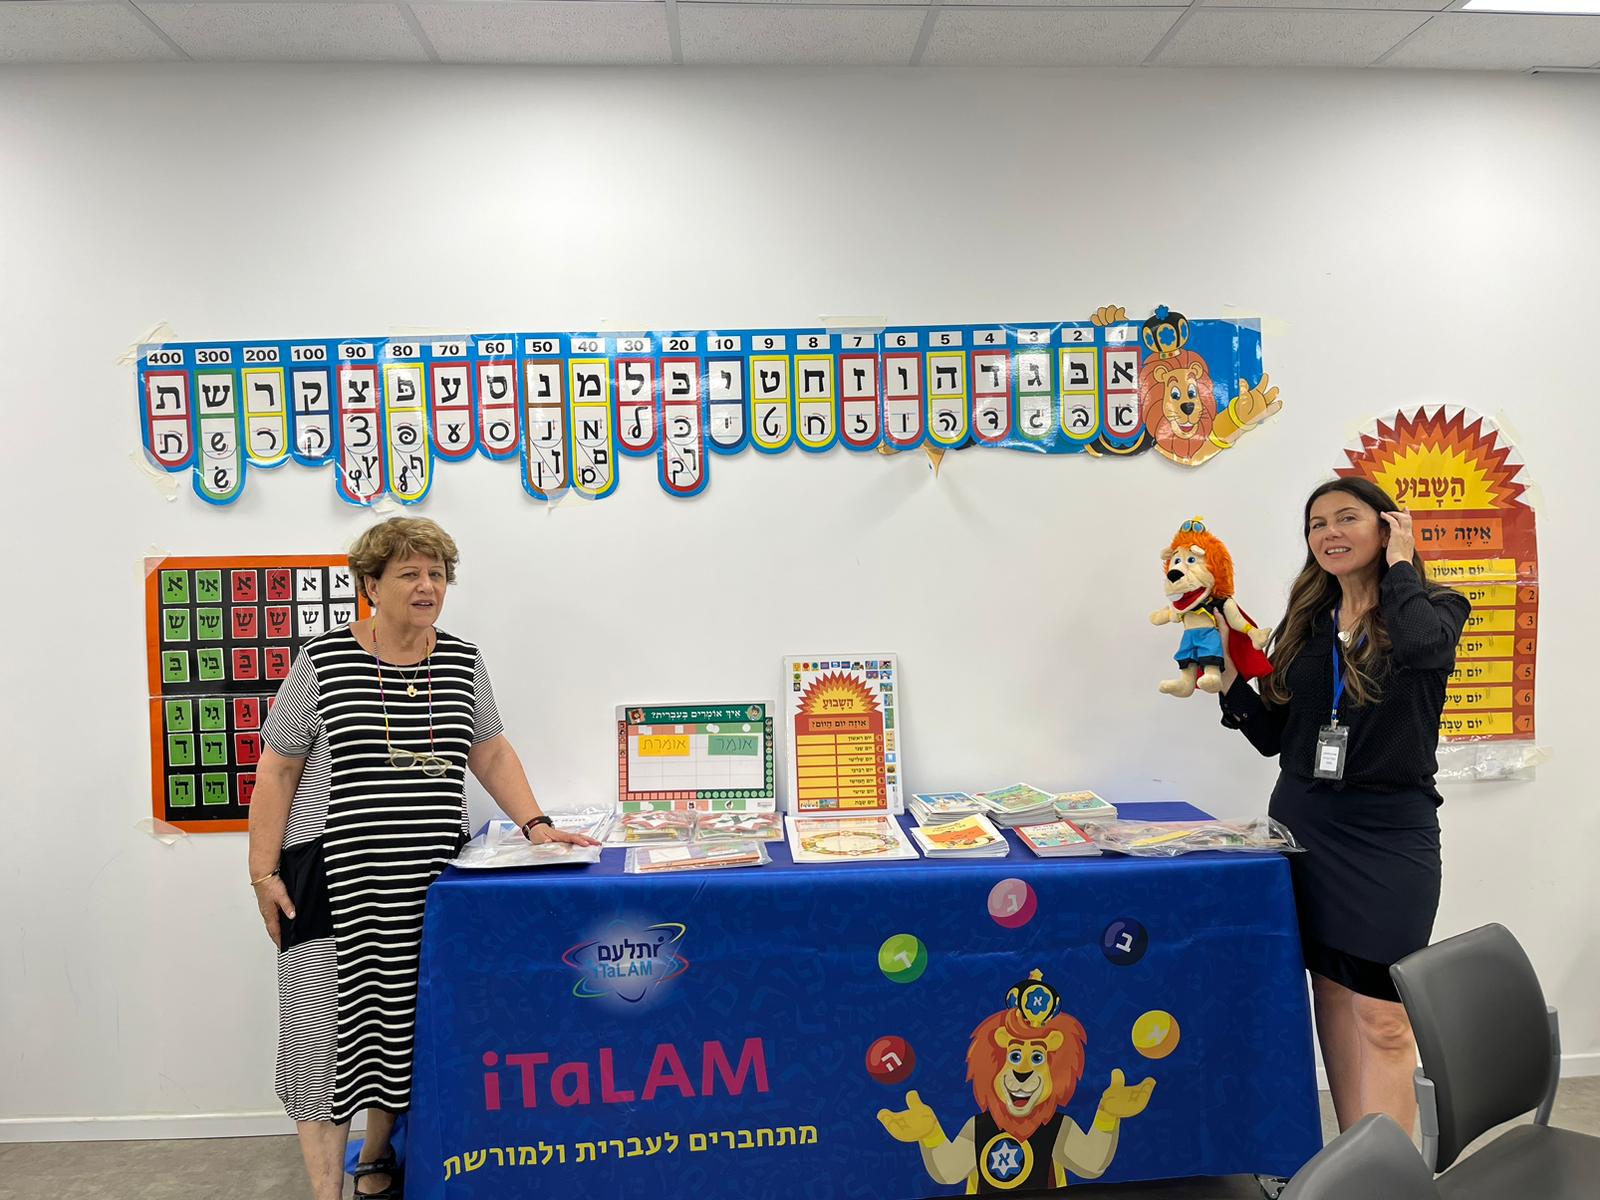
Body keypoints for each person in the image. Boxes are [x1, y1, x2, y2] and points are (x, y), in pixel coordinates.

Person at [246, 518, 597, 1200]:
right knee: (321, 1039)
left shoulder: (462, 661)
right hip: (330, 881)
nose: (426, 586)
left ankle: (378, 1156)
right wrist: (262, 873)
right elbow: (278, 768)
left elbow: (489, 750)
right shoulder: (321, 661)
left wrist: (536, 824)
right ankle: (325, 1191)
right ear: (371, 585)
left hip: (431, 881)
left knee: (404, 1028)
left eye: (436, 574)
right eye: (409, 573)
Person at [1217, 478, 1469, 1136]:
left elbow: (1422, 651)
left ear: (1387, 527)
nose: (1328, 532)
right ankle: (1356, 1152)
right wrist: (1230, 683)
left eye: (1346, 518)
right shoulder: (1307, 622)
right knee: (1329, 988)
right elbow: (1275, 736)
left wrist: (1401, 568)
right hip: (1306, 824)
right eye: (1316, 523)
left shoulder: (1436, 606)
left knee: (1385, 1017)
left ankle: (1388, 1171)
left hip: (1391, 831)